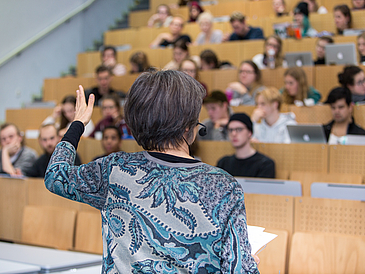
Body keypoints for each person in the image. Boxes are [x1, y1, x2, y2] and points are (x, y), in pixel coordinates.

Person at [44, 71, 260, 273]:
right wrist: (246, 260)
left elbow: (56, 175)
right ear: (188, 127)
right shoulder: (223, 185)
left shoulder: (114, 168)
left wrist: (78, 124)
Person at [217, 113, 276, 178]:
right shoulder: (223, 163)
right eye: (230, 130)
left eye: (239, 129)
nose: (233, 134)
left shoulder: (265, 164)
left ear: (249, 133)